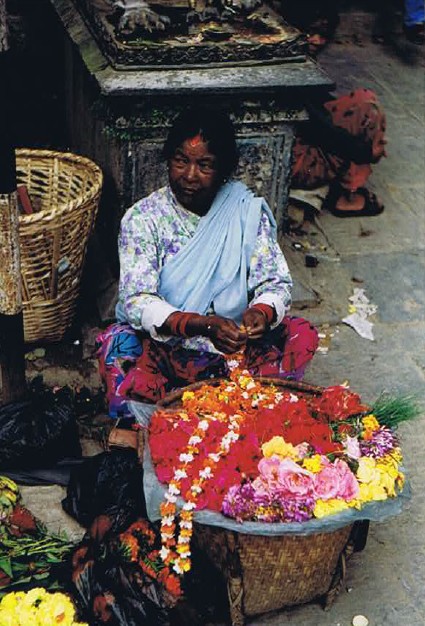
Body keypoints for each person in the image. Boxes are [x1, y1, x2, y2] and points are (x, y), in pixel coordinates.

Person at [96, 108, 318, 418]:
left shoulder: (245, 212)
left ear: (224, 169)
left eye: (204, 165)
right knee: (117, 345)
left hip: (235, 352)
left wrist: (260, 313)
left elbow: (275, 283)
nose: (189, 175)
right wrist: (202, 324)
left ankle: (233, 401)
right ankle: (218, 406)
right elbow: (136, 301)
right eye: (180, 161)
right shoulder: (144, 219)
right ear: (168, 160)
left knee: (300, 333)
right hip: (168, 352)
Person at [291, 88, 387, 217]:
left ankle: (347, 188)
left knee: (363, 105)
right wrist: (365, 151)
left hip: (302, 145)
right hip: (294, 162)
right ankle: (346, 196)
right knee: (362, 113)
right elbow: (315, 126)